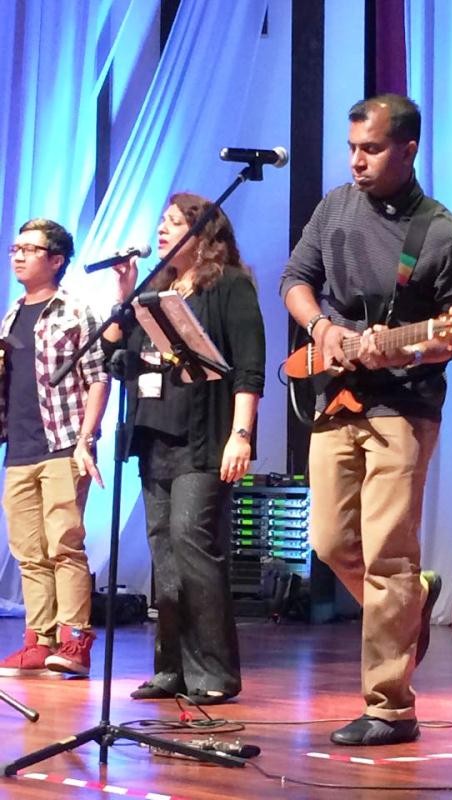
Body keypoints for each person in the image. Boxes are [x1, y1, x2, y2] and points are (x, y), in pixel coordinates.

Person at [280, 94, 452, 745]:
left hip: (404, 409)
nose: (355, 162)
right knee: (331, 543)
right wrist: (322, 328)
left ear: (408, 149)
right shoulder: (335, 207)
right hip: (337, 400)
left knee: (387, 554)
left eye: (369, 150)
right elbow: (295, 277)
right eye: (351, 149)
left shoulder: (446, 236)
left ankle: (390, 706)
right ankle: (412, 598)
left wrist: (407, 343)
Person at [102, 193, 265, 706]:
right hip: (155, 439)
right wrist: (125, 295)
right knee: (164, 557)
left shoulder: (229, 286)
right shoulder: (154, 292)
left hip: (205, 441)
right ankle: (170, 668)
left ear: (203, 233)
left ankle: (213, 672)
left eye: (173, 222)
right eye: (160, 221)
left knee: (193, 546)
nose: (161, 230)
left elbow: (249, 368)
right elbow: (110, 351)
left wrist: (241, 435)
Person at [0, 218, 109, 677]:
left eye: (30, 249)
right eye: (15, 248)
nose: (18, 256)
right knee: (28, 550)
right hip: (19, 448)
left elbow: (99, 379)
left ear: (56, 260)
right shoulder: (10, 314)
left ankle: (75, 640)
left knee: (65, 543)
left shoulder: (75, 311)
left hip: (63, 443)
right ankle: (38, 640)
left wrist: (87, 439)